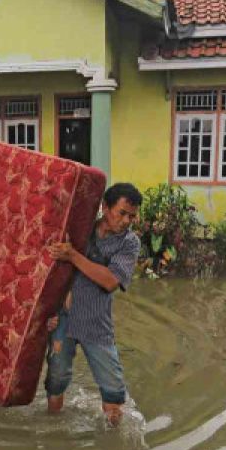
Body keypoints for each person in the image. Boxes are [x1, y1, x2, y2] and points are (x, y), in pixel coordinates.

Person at [44, 182, 142, 427]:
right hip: (63, 317)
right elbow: (48, 266)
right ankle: (53, 429)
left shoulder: (129, 243)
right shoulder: (81, 229)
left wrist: (73, 255)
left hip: (96, 321)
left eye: (132, 216)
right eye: (122, 213)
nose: (127, 221)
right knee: (56, 378)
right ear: (105, 207)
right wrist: (46, 311)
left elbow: (109, 281)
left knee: (112, 390)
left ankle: (113, 442)